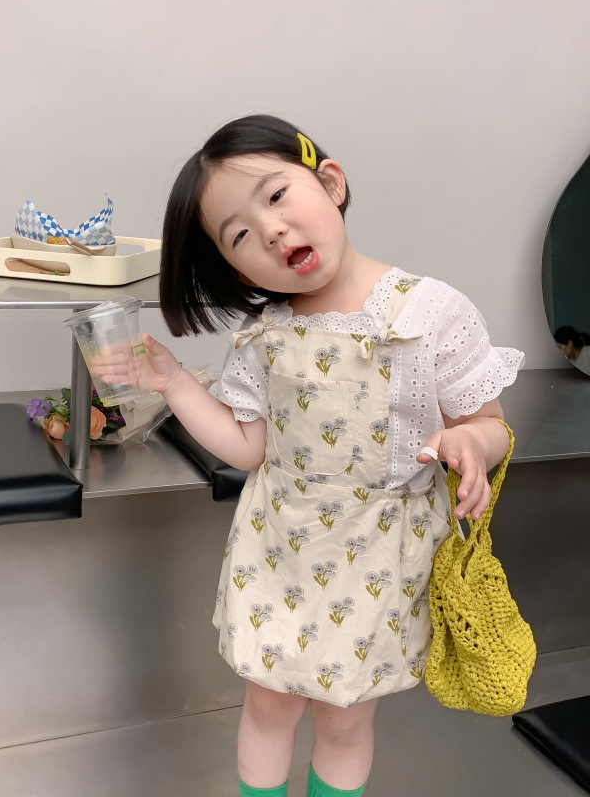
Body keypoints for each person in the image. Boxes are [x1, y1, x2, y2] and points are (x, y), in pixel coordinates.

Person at [93, 115, 523, 797]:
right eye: (239, 235)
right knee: (267, 705)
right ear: (235, 266)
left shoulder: (431, 313)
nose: (269, 230)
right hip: (278, 550)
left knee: (344, 718)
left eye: (276, 195)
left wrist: (470, 441)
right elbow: (248, 447)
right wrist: (173, 382)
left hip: (379, 558)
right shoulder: (264, 335)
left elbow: (489, 423)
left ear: (331, 183)